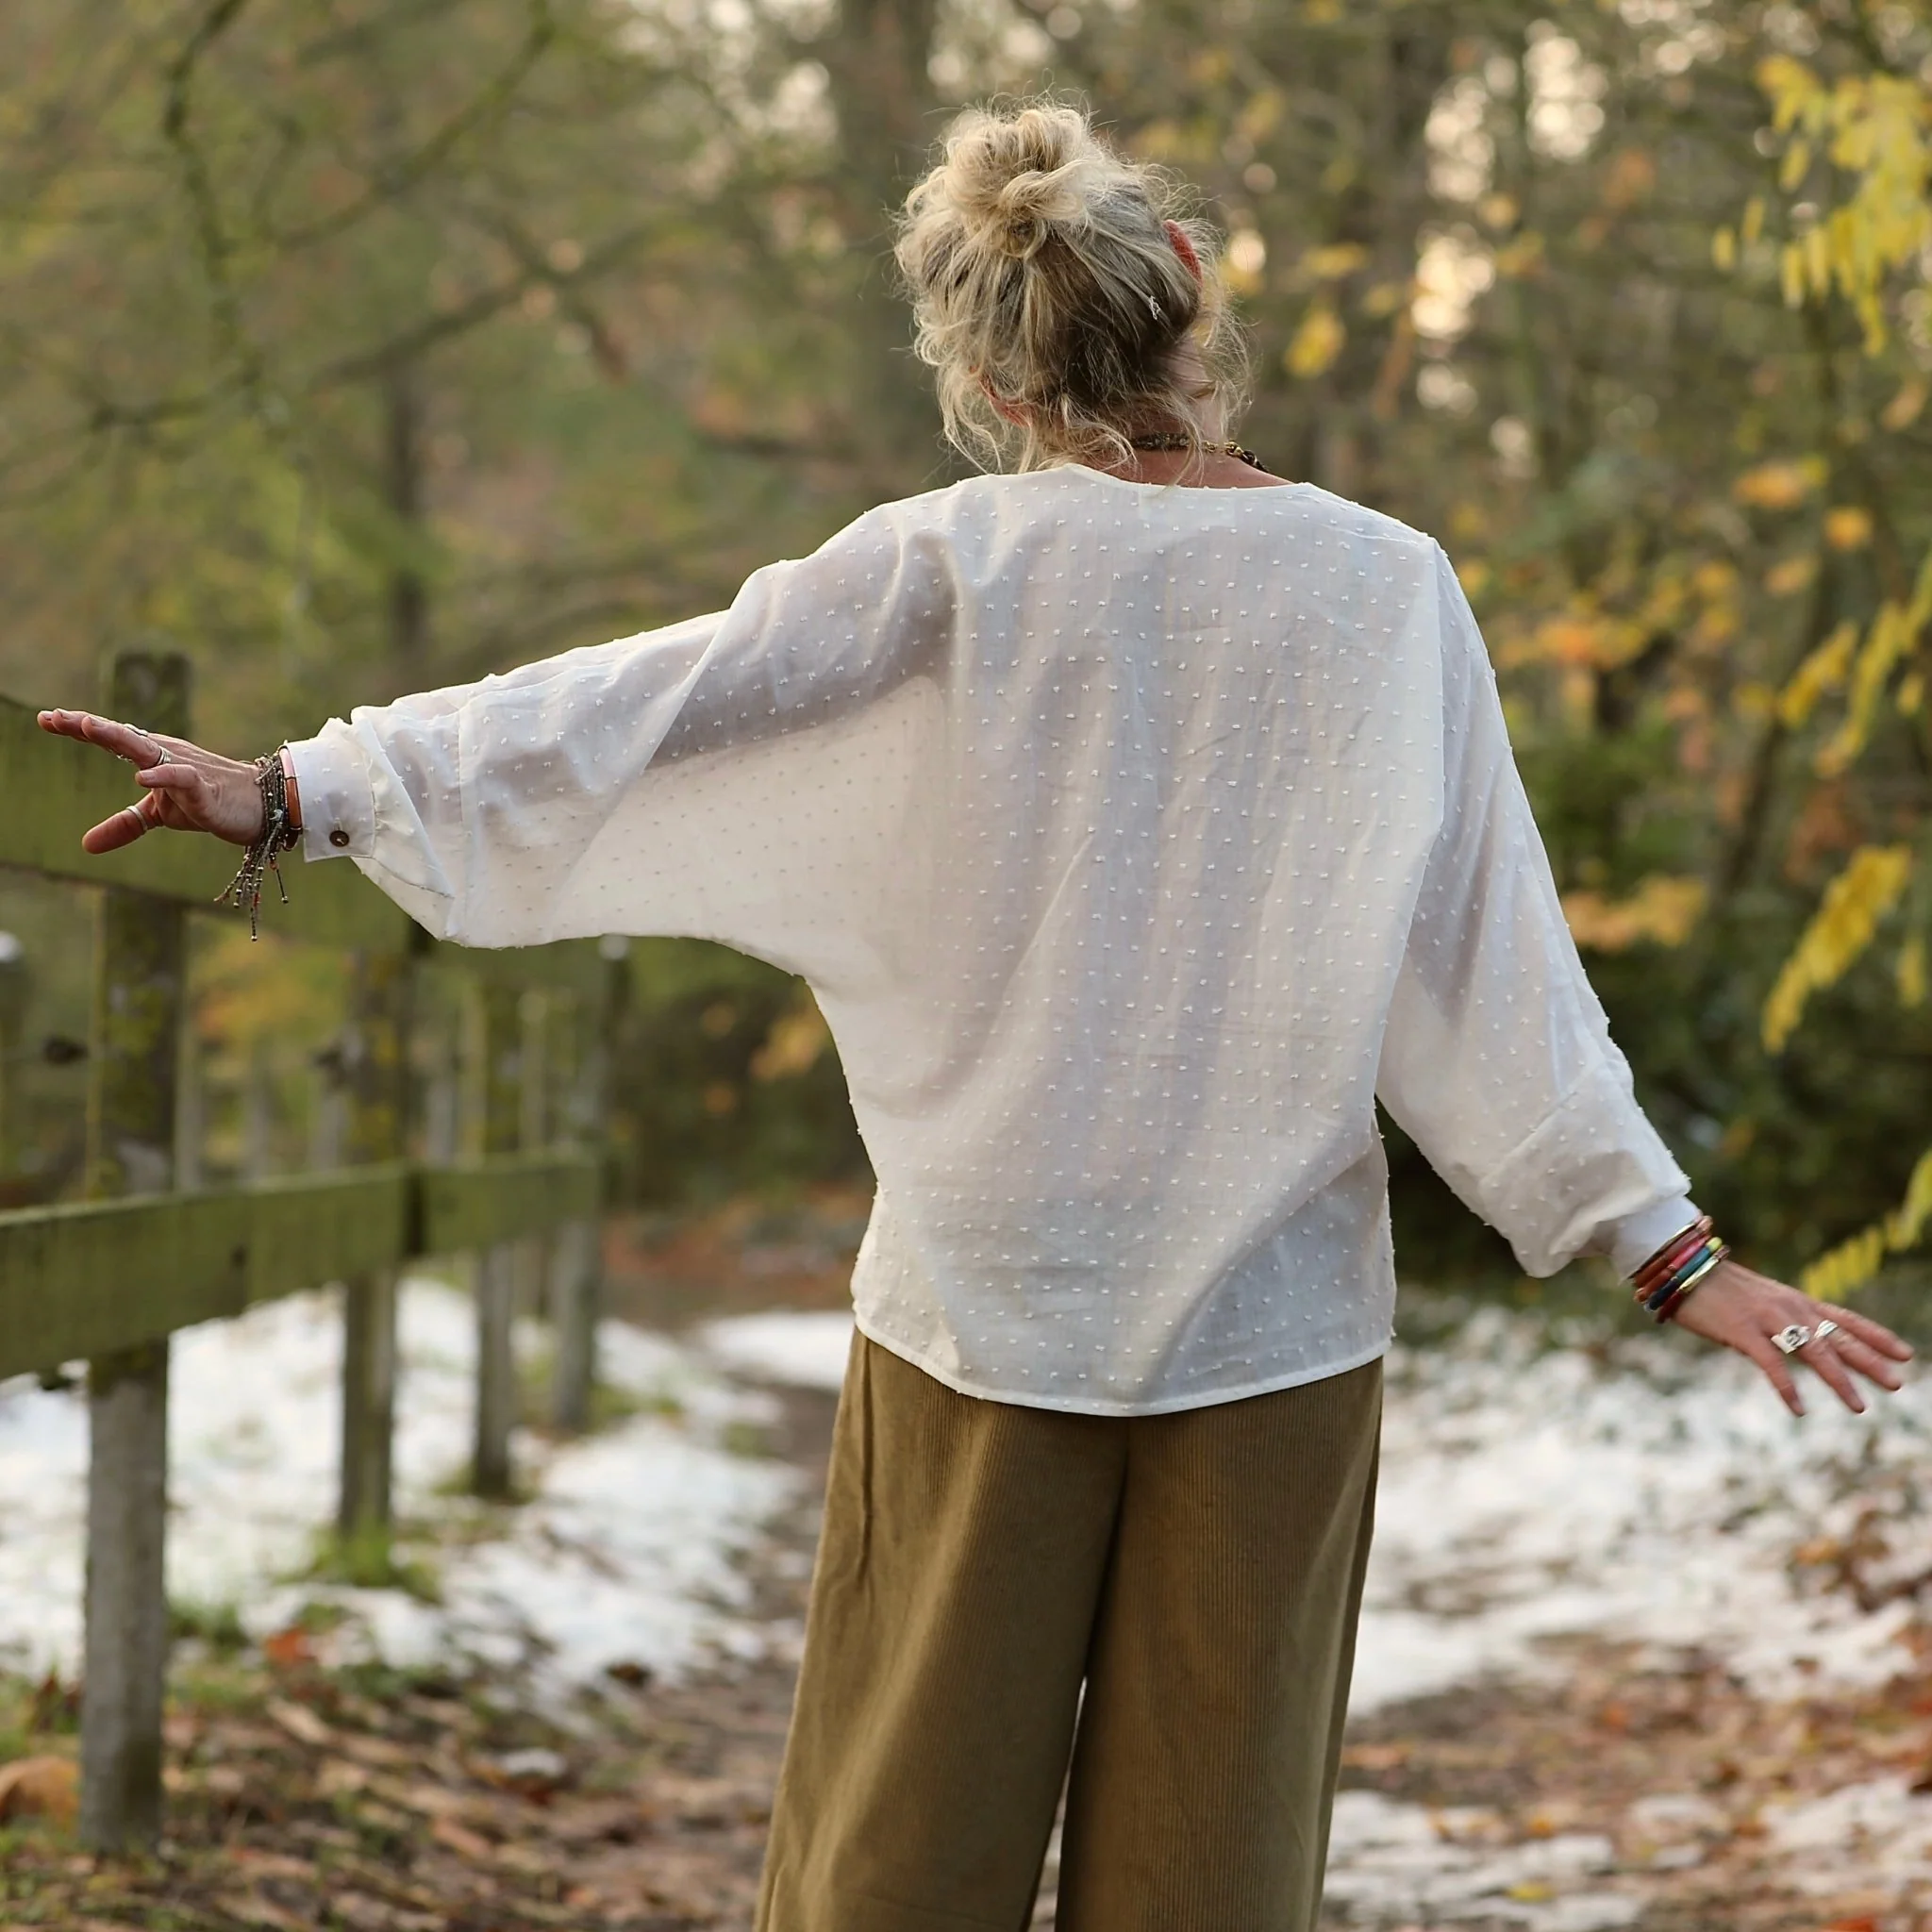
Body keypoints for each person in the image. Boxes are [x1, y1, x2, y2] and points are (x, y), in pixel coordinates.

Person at [42, 96, 1910, 1932]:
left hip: (976, 1294)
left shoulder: (942, 565)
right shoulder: (1382, 590)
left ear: (1001, 383)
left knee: (888, 1864)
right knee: (1211, 1883)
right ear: (1188, 282)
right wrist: (1673, 1258)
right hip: (1267, 1325)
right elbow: (1482, 959)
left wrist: (314, 786)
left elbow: (641, 709)